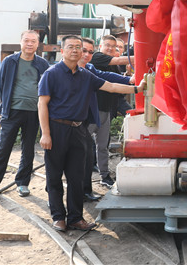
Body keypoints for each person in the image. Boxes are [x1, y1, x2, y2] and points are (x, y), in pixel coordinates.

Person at [38, 35, 143, 232]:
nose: (76, 50)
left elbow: (111, 86)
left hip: (79, 129)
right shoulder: (51, 74)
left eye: (79, 47)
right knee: (54, 176)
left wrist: (137, 88)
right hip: (57, 129)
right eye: (71, 47)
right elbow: (42, 103)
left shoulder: (86, 75)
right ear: (62, 50)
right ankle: (58, 217)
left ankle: (75, 218)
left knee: (76, 176)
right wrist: (46, 134)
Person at [0, 31, 49, 197]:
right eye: (26, 40)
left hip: (34, 112)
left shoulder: (42, 64)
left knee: (28, 149)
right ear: (21, 42)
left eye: (33, 41)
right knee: (4, 147)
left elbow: (48, 86)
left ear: (37, 44)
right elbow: (0, 82)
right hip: (12, 111)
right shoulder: (10, 61)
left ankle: (22, 183)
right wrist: (7, 102)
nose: (29, 44)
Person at [78, 37, 135, 202]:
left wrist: (129, 80)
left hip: (106, 111)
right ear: (100, 46)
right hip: (90, 112)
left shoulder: (93, 67)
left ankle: (103, 177)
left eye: (115, 46)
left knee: (102, 146)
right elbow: (110, 77)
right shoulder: (97, 58)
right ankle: (79, 185)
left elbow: (112, 79)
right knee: (82, 150)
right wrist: (142, 55)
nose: (111, 49)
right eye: (108, 45)